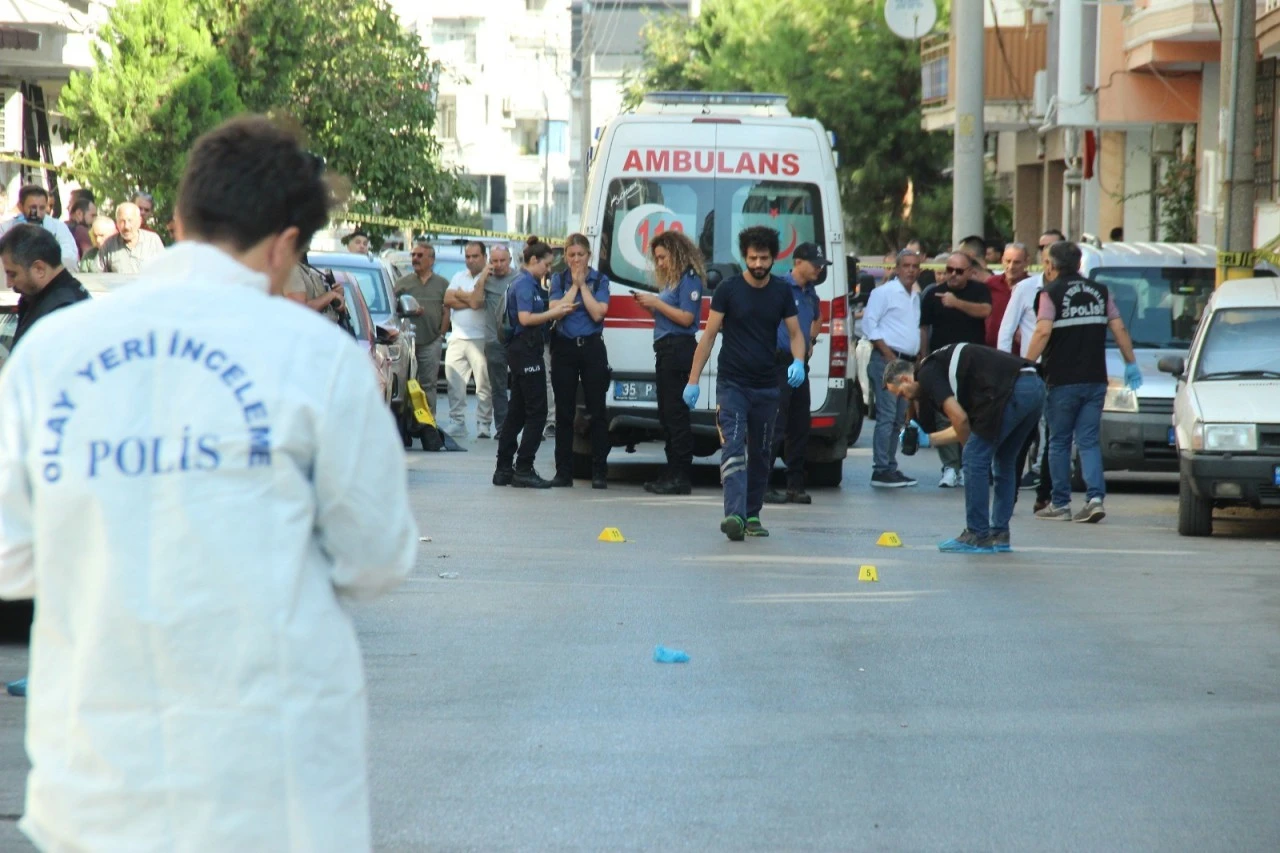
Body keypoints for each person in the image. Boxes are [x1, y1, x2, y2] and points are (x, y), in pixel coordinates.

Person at [0, 115, 418, 852]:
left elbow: (11, 560)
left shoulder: (49, 352)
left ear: (177, 217)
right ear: (286, 244)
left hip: (96, 777)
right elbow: (377, 557)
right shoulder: (316, 357)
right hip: (272, 780)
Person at [685, 226, 805, 541]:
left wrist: (798, 361)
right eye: (752, 258)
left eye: (763, 258)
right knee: (733, 447)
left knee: (762, 453)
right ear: (744, 257)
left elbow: (796, 334)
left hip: (767, 386)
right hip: (732, 385)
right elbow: (709, 336)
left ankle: (752, 514)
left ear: (773, 258)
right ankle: (735, 516)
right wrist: (693, 380)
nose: (758, 264)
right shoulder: (728, 290)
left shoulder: (781, 292)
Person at [884, 343, 1046, 553]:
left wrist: (972, 458)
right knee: (1004, 460)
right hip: (1034, 386)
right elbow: (965, 425)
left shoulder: (927, 373)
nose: (905, 399)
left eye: (901, 394)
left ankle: (977, 534)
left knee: (974, 458)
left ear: (905, 379)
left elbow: (959, 420)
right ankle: (999, 534)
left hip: (1011, 390)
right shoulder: (943, 369)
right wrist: (928, 439)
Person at [1025, 240, 1142, 524]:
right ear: (1079, 264)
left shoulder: (1049, 293)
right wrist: (1131, 363)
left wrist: (1025, 365)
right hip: (1095, 379)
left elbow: (1042, 332)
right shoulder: (1101, 291)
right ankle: (1094, 499)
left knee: (1059, 441)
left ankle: (1060, 503)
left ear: (1050, 266)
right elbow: (1119, 327)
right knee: (1088, 441)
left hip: (1061, 379)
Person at [493, 239, 574, 488]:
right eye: (546, 264)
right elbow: (526, 318)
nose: (548, 270)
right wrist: (554, 314)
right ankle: (524, 468)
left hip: (524, 351)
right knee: (537, 412)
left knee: (517, 412)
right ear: (533, 260)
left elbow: (539, 310)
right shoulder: (524, 284)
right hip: (525, 350)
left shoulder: (529, 283)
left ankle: (504, 468)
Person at [634, 229, 704, 495]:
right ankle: (672, 470)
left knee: (676, 414)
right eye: (657, 259)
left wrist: (657, 303)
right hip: (665, 349)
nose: (660, 263)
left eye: (663, 257)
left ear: (676, 253)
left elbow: (687, 318)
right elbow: (667, 315)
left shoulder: (689, 279)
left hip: (679, 349)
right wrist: (651, 306)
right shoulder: (672, 282)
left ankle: (681, 474)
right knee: (666, 413)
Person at [919, 251, 991, 487]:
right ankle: (950, 466)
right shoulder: (933, 294)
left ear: (970, 272)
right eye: (949, 270)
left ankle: (969, 464)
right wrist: (924, 357)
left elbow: (985, 311)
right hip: (942, 363)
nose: (952, 275)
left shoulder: (979, 290)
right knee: (944, 414)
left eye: (959, 271)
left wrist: (956, 303)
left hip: (972, 364)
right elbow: (924, 328)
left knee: (971, 414)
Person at [548, 233, 612, 489]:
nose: (576, 259)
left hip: (592, 348)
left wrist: (583, 286)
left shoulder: (600, 280)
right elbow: (556, 311)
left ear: (589, 256)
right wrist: (574, 286)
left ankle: (599, 472)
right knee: (564, 413)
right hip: (565, 348)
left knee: (597, 411)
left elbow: (598, 313)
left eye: (581, 255)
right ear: (565, 257)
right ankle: (563, 472)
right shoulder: (558, 279)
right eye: (571, 255)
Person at [764, 242, 826, 505]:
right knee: (774, 424)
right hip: (777, 364)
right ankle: (763, 483)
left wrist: (809, 340)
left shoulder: (811, 293)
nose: (819, 269)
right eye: (815, 264)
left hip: (799, 363)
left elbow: (817, 318)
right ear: (798, 262)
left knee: (799, 425)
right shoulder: (777, 287)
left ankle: (795, 485)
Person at [863, 249, 922, 488]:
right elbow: (869, 325)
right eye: (906, 265)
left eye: (915, 266)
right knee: (887, 416)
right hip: (888, 360)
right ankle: (881, 469)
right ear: (897, 268)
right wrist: (889, 356)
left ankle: (889, 466)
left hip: (906, 363)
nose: (910, 270)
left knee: (898, 418)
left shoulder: (915, 296)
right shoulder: (884, 293)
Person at [1, 223, 93, 345]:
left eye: (13, 274)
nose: (9, 283)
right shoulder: (42, 300)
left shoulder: (63, 311)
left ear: (39, 269)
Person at [444, 241, 495, 438]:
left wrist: (461, 295)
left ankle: (483, 423)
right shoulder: (458, 276)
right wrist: (470, 298)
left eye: (475, 256)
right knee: (454, 382)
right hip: (457, 337)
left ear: (484, 257)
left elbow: (477, 301)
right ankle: (457, 421)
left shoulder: (490, 278)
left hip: (480, 338)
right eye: (467, 256)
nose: (471, 260)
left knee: (484, 384)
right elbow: (448, 299)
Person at [395, 239, 450, 416]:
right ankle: (409, 420)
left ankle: (428, 422)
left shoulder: (442, 284)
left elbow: (447, 310)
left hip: (431, 342)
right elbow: (393, 309)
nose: (415, 259)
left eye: (420, 255)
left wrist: (441, 335)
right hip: (406, 342)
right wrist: (408, 309)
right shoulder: (403, 283)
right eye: (413, 255)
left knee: (428, 384)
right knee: (407, 383)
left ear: (431, 260)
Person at [483, 245, 519, 434]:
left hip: (515, 339)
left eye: (502, 260)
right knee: (498, 387)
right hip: (493, 341)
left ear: (510, 260)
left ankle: (520, 425)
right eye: (494, 261)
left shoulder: (519, 279)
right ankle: (502, 428)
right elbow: (474, 301)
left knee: (521, 385)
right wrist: (483, 276)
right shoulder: (485, 280)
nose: (498, 264)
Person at [0, 184, 79, 267]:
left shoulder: (58, 227)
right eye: (32, 207)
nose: (37, 213)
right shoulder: (5, 228)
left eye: (42, 208)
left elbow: (69, 255)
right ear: (20, 206)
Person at [99, 202, 166, 272]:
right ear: (117, 223)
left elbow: (164, 270)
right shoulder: (109, 245)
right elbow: (97, 273)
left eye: (130, 221)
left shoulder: (152, 241)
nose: (126, 226)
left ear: (139, 221)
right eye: (122, 221)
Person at [984, 243, 1027, 349]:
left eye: (1017, 262)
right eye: (1008, 261)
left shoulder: (1033, 287)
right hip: (990, 349)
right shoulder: (991, 284)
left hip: (1021, 350)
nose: (1011, 267)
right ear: (1002, 261)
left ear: (1026, 262)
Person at [284, 250, 345, 323]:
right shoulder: (292, 268)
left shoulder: (307, 269)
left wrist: (336, 296)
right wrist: (330, 296)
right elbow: (299, 310)